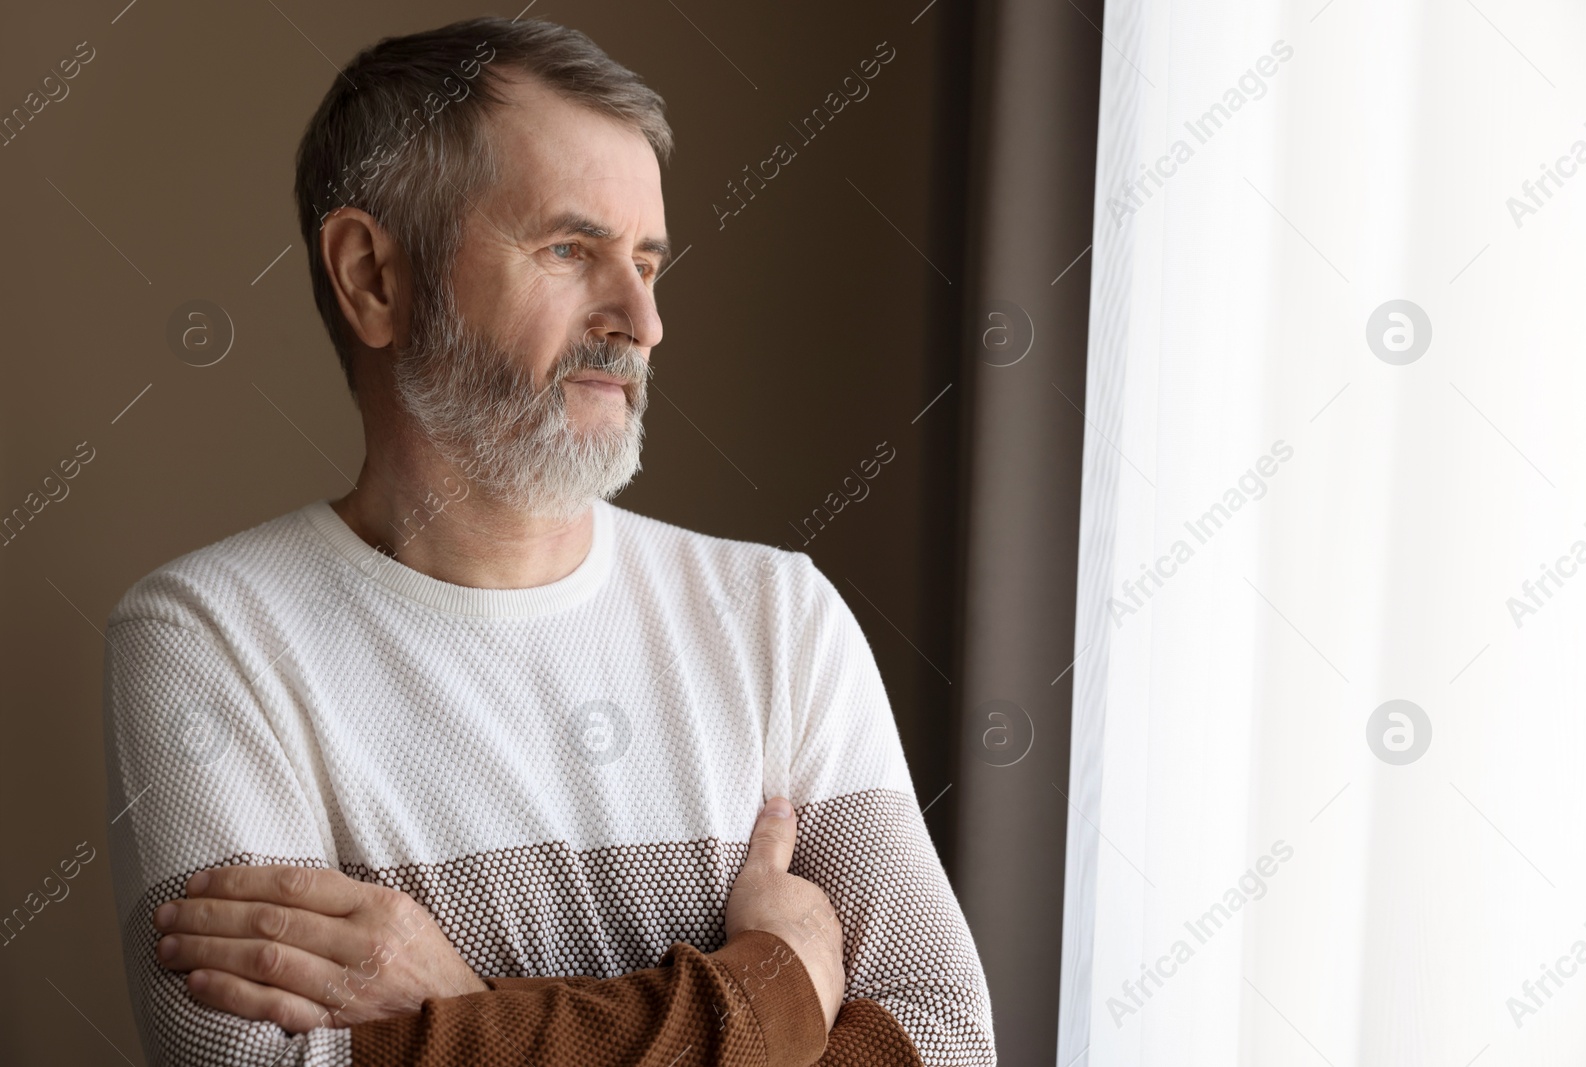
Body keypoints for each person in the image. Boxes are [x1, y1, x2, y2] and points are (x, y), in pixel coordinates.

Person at [102, 16, 995, 1066]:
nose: (640, 320)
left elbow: (944, 1038)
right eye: (572, 249)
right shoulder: (211, 636)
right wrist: (777, 986)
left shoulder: (776, 616)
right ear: (373, 278)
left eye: (648, 262)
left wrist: (457, 1014)